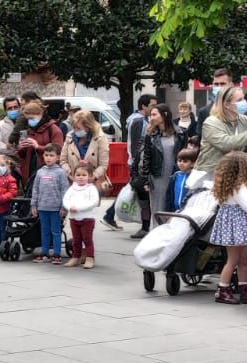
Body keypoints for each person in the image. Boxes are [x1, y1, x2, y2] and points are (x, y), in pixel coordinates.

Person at [208, 152, 247, 303]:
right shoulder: (238, 187)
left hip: (234, 226)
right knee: (235, 259)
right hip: (238, 226)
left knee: (241, 259)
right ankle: (223, 289)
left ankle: (243, 289)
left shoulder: (228, 185)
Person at [101, 95, 154, 232]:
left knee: (131, 189)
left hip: (135, 162)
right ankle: (110, 215)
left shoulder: (134, 119)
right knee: (132, 190)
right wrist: (138, 163)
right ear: (144, 106)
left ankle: (110, 215)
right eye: (152, 105)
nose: (154, 108)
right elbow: (137, 144)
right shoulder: (139, 121)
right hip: (137, 163)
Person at [196, 86, 247, 174]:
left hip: (235, 172)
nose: (244, 102)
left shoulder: (245, 120)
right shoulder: (211, 122)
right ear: (226, 104)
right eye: (239, 100)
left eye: (243, 99)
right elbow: (226, 144)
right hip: (211, 173)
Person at [29, 144, 70, 263]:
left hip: (55, 209)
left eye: (51, 155)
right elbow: (35, 189)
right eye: (46, 155)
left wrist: (64, 207)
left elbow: (64, 190)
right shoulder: (40, 172)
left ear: (57, 157)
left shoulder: (60, 173)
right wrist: (33, 205)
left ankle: (57, 254)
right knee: (44, 231)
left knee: (55, 231)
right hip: (42, 208)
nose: (48, 158)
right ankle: (44, 252)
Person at [15, 99, 66, 188]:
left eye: (32, 118)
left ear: (40, 114)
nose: (30, 121)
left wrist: (38, 146)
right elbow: (22, 156)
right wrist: (21, 147)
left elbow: (59, 151)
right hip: (29, 175)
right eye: (28, 119)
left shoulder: (54, 129)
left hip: (48, 174)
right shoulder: (29, 130)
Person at [142, 105, 180, 222]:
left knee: (172, 206)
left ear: (165, 115)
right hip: (157, 176)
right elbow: (146, 158)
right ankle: (155, 233)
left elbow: (183, 154)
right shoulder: (151, 135)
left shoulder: (180, 133)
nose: (151, 118)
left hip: (175, 175)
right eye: (150, 115)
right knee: (157, 207)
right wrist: (146, 179)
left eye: (154, 114)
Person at [63, 163, 102, 268]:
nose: (81, 177)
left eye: (84, 175)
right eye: (78, 175)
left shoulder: (91, 188)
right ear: (74, 176)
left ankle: (90, 258)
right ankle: (75, 257)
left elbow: (94, 202)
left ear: (89, 176)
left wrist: (78, 208)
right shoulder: (72, 188)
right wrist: (69, 206)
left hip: (87, 219)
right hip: (74, 219)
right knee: (76, 240)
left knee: (87, 239)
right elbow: (66, 199)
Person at [168, 147, 200, 211]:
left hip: (188, 213)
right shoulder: (175, 176)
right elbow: (169, 196)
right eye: (179, 161)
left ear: (193, 164)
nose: (181, 163)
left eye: (185, 161)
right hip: (175, 211)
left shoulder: (195, 177)